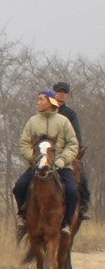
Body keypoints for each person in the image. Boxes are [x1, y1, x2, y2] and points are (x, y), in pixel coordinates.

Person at [12, 89, 79, 234]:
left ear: (51, 102)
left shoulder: (63, 122)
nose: (38, 102)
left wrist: (61, 160)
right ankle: (23, 216)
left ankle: (66, 222)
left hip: (61, 166)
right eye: (38, 99)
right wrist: (35, 159)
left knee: (72, 191)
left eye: (41, 99)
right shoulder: (32, 121)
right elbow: (24, 143)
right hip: (38, 166)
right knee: (19, 186)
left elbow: (73, 145)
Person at [53, 81, 91, 220]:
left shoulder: (70, 114)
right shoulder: (46, 111)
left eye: (64, 93)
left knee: (83, 179)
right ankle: (25, 212)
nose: (61, 95)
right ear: (54, 93)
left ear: (67, 96)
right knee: (25, 182)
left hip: (67, 155)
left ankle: (82, 207)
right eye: (59, 92)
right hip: (48, 155)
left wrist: (71, 153)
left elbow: (77, 137)